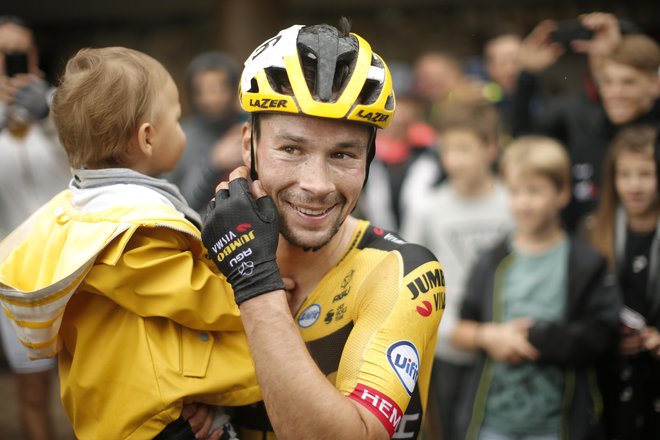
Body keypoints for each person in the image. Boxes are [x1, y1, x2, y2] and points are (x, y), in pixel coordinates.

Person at [0, 46, 262, 439]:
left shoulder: (87, 209)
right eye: (176, 118)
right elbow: (203, 301)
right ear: (148, 137)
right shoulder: (128, 228)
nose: (183, 129)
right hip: (154, 419)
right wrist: (259, 286)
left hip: (139, 398)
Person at [200, 20, 445, 439]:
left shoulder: (402, 272)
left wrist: (255, 284)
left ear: (370, 158)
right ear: (248, 145)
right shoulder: (202, 257)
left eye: (343, 155)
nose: (317, 184)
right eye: (291, 149)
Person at [451, 136, 621, 440]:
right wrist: (489, 337)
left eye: (535, 191)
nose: (524, 202)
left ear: (563, 193)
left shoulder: (584, 263)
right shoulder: (492, 260)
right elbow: (461, 326)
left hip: (557, 425)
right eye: (515, 192)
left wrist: (537, 338)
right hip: (491, 422)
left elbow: (603, 333)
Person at [400, 100, 514, 440]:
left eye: (465, 149)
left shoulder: (513, 203)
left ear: (491, 147)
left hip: (509, 347)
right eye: (447, 150)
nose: (454, 160)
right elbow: (411, 278)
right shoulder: (427, 210)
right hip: (448, 349)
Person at [512, 12, 660, 231]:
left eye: (628, 82)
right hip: (591, 251)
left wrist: (625, 33)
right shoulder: (583, 124)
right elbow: (526, 141)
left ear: (655, 84)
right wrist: (526, 77)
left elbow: (642, 60)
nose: (615, 92)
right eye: (607, 82)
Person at [0, 15, 71, 440]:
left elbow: (93, 151)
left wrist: (47, 112)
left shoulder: (61, 104)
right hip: (13, 274)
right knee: (31, 392)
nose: (10, 60)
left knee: (101, 383)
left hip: (74, 262)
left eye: (17, 52)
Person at [583, 125, 660, 440]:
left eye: (645, 174)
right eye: (624, 174)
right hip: (609, 385)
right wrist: (606, 336)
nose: (634, 185)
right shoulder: (591, 230)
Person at [165, 51, 246, 216]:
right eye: (202, 91)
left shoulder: (247, 126)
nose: (211, 98)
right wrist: (213, 163)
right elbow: (179, 204)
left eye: (218, 89)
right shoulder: (181, 135)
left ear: (234, 89)